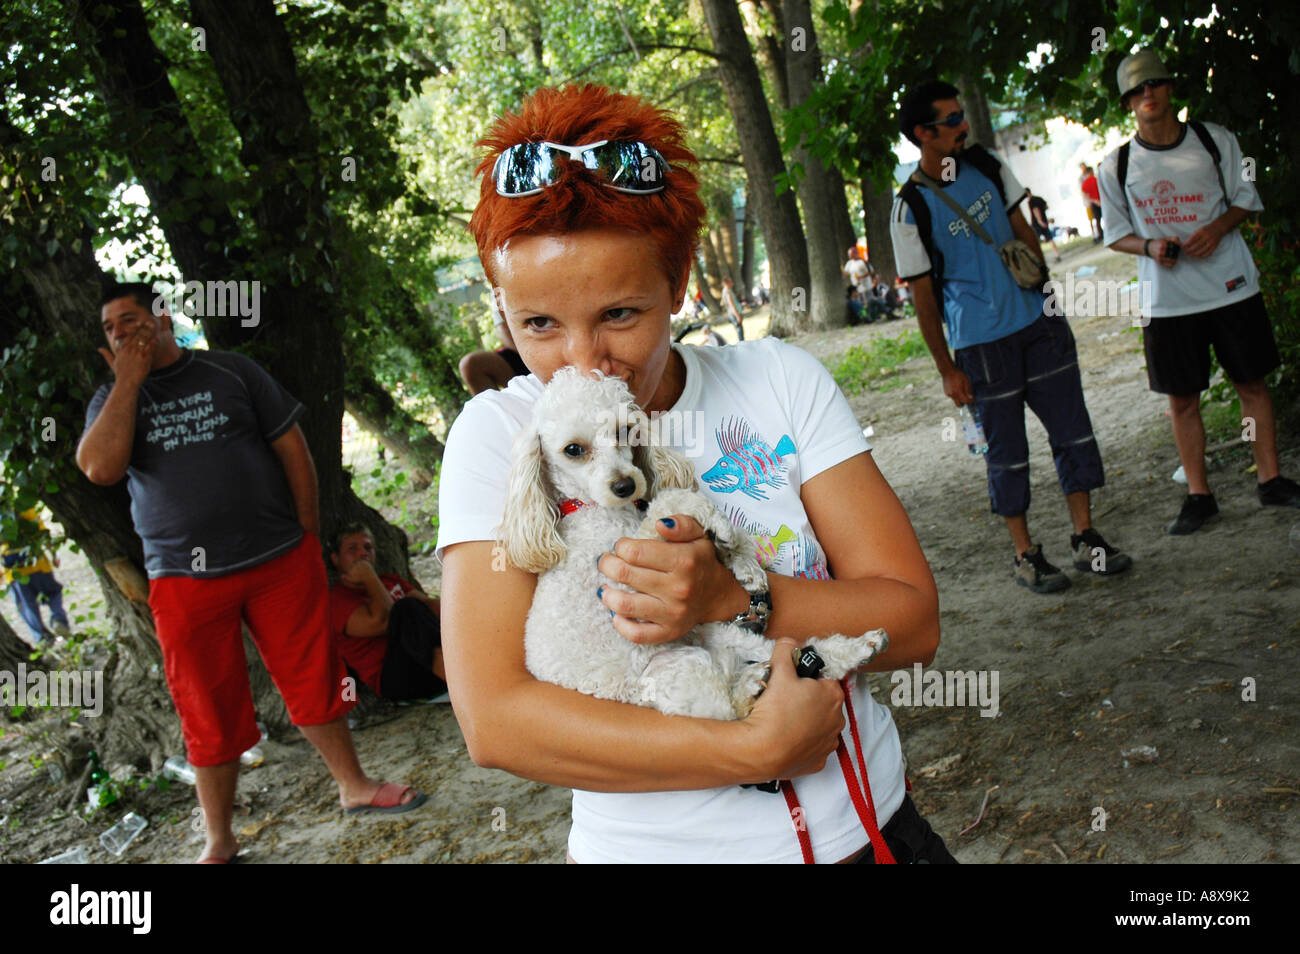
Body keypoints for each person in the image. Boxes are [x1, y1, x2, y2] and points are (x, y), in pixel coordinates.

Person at [438, 84, 951, 864]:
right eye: (539, 324)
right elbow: (496, 719)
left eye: (620, 314)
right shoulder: (504, 438)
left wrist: (734, 600)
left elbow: (912, 622)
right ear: (504, 312)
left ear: (677, 285)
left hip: (875, 834)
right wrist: (750, 753)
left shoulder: (778, 381)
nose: (583, 361)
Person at [76, 284, 426, 863]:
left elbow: (293, 448)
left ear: (162, 318)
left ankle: (355, 787)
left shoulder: (230, 371)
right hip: (183, 579)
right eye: (109, 328)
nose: (119, 333)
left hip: (277, 562)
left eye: (129, 319)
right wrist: (129, 382)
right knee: (205, 704)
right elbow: (99, 469)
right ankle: (219, 838)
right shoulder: (110, 401)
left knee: (312, 676)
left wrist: (307, 536)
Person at [890, 79, 1133, 593]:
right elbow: (924, 297)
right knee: (1008, 454)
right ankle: (1026, 556)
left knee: (1073, 433)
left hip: (1040, 327)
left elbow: (1022, 227)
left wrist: (1046, 294)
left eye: (962, 115)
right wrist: (946, 369)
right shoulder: (908, 206)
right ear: (922, 134)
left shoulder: (989, 166)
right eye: (951, 120)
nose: (963, 126)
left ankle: (1086, 537)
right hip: (982, 348)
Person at [1098, 51, 1300, 532]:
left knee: (1251, 385)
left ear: (1170, 89)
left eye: (1155, 85)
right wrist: (1150, 246)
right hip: (1168, 301)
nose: (1147, 95)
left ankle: (1270, 478)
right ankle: (1198, 494)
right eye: (1136, 90)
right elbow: (1114, 233)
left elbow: (1247, 198)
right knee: (1182, 401)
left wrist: (1217, 228)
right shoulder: (1117, 165)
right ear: (1128, 102)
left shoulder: (1216, 140)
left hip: (1231, 287)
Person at [328, 522, 449, 703]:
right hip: (397, 678)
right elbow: (384, 620)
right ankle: (461, 680)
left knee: (424, 608)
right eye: (352, 549)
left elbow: (429, 606)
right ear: (336, 559)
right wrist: (369, 577)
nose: (363, 553)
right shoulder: (338, 600)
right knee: (405, 609)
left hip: (430, 665)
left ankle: (460, 667)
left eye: (368, 547)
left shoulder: (390, 580)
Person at [2, 508, 72, 647]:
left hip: (14, 572)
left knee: (27, 606)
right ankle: (59, 620)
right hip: (38, 564)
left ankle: (42, 639)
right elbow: (43, 534)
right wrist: (54, 555)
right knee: (53, 593)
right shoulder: (26, 507)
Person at [459, 297, 532, 395]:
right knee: (471, 364)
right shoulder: (498, 289)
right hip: (523, 352)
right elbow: (503, 330)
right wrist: (530, 357)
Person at [1024, 188, 1062, 262]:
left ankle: (1039, 258)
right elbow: (1046, 207)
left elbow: (1036, 210)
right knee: (1051, 239)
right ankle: (1057, 255)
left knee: (1037, 241)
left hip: (1037, 223)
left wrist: (1039, 221)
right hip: (1044, 220)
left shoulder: (1031, 201)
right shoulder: (1039, 199)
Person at [1079, 164, 1103, 243]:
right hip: (1101, 201)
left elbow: (1084, 196)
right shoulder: (1097, 179)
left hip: (1094, 203)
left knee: (1097, 220)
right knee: (1103, 219)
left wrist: (1093, 201)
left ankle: (1100, 235)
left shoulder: (1085, 183)